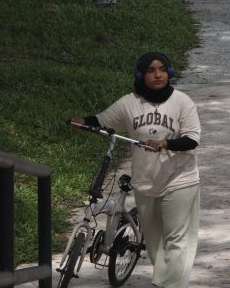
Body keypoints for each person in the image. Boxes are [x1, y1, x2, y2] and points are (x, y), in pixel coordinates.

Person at [71, 53, 201, 288]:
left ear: (169, 72)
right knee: (153, 241)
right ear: (141, 75)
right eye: (151, 70)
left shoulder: (183, 102)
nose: (158, 74)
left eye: (162, 69)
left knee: (176, 239)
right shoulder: (129, 103)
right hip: (146, 181)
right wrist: (82, 121)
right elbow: (102, 120)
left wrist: (166, 143)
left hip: (180, 178)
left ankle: (172, 285)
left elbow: (192, 139)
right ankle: (163, 280)